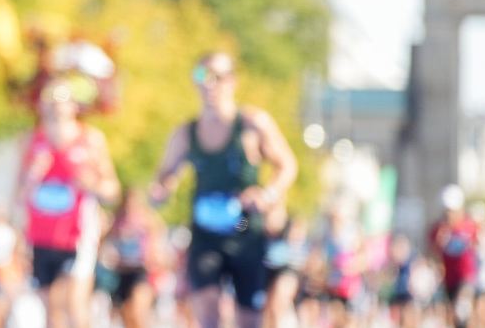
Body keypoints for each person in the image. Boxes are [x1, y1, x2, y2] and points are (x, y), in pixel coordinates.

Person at [149, 52, 299, 328]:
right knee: (208, 314)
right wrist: (160, 191)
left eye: (216, 77)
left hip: (244, 229)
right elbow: (164, 175)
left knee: (249, 319)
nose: (208, 84)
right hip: (205, 233)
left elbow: (287, 165)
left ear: (232, 81)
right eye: (201, 76)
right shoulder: (186, 133)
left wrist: (268, 195)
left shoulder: (252, 124)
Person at [19, 78, 120, 327]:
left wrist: (91, 184)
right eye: (49, 99)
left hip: (78, 234)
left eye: (62, 99)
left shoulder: (90, 140)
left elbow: (113, 191)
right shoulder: (31, 141)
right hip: (41, 236)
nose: (56, 105)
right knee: (50, 310)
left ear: (75, 106)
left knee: (73, 304)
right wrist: (33, 177)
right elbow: (19, 194)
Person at [106, 188, 167, 328]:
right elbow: (105, 238)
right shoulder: (117, 219)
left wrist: (155, 253)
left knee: (138, 311)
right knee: (126, 315)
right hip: (122, 272)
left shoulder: (147, 218)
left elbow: (158, 233)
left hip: (142, 272)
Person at [429, 183, 479, 328]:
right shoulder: (439, 229)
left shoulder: (469, 225)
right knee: (454, 316)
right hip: (450, 278)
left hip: (466, 276)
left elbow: (477, 247)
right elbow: (433, 253)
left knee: (462, 309)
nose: (449, 215)